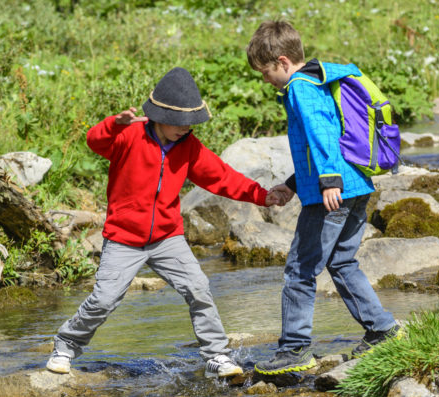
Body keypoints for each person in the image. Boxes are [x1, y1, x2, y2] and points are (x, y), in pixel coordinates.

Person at [46, 67, 279, 378]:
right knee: (104, 299)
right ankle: (65, 346)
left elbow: (222, 178)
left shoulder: (189, 147)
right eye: (179, 123)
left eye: (190, 124)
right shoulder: (128, 135)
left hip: (167, 238)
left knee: (198, 288)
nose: (185, 129)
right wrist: (114, 124)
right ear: (158, 115)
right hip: (123, 238)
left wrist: (262, 196)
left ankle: (216, 357)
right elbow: (94, 141)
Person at [245, 20, 400, 376]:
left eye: (266, 71)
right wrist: (293, 183)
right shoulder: (319, 79)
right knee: (343, 263)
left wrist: (329, 182)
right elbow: (316, 147)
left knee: (299, 270)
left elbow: (321, 133)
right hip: (356, 187)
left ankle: (294, 348)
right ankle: (383, 329)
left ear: (283, 62)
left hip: (332, 193)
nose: (265, 79)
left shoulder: (300, 86)